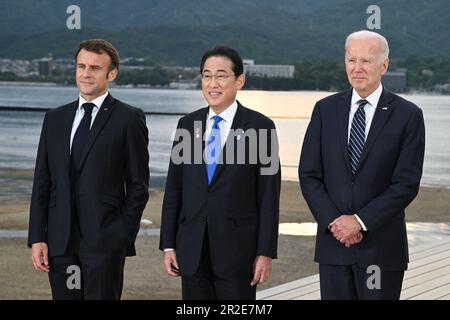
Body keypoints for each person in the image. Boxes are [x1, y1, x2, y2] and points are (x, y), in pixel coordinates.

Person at [299, 30, 425, 300]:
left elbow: (406, 184)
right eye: (351, 60)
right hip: (334, 247)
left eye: (366, 61)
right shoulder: (325, 110)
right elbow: (309, 174)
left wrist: (359, 221)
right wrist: (335, 222)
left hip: (381, 249)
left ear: (384, 65)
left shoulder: (408, 115)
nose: (357, 68)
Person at [28, 39, 149, 300]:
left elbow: (138, 184)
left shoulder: (129, 118)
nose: (85, 73)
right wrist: (38, 237)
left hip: (105, 242)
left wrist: (123, 233)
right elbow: (42, 182)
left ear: (112, 74)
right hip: (60, 243)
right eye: (81, 66)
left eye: (95, 68)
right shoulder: (55, 118)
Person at [159, 45, 281, 300]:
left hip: (239, 254)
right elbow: (174, 191)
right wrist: (168, 244)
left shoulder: (261, 128)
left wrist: (265, 252)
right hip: (192, 250)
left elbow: (269, 196)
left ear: (239, 80)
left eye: (221, 75)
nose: (212, 83)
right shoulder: (187, 125)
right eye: (206, 75)